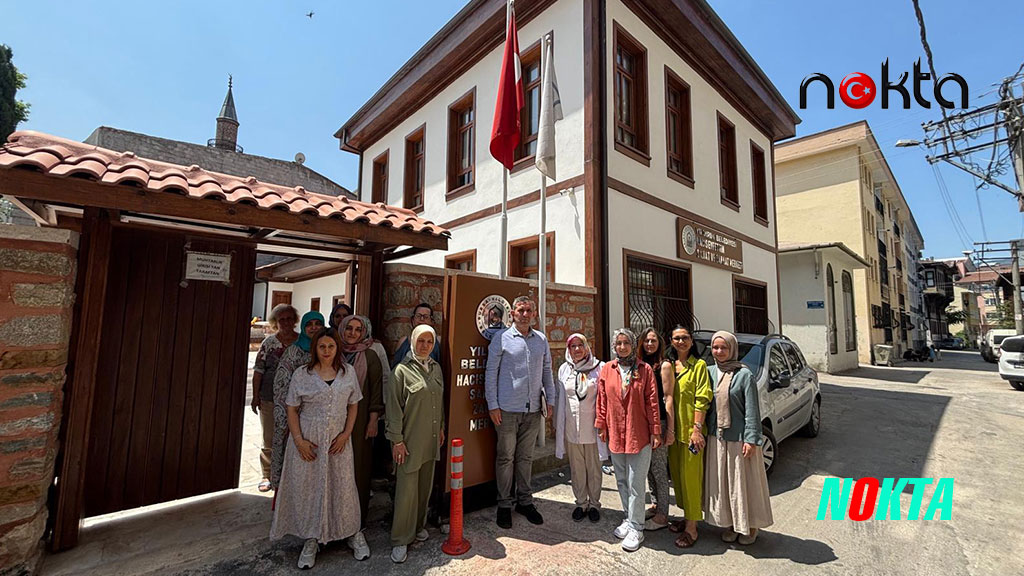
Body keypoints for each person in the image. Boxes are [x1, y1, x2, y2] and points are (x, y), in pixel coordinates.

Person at [270, 330, 367, 568]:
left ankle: (351, 532)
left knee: (342, 486)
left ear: (337, 348)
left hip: (337, 442)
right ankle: (311, 538)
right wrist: (299, 440)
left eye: (331, 346)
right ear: (315, 349)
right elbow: (292, 408)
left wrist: (346, 434)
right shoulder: (302, 374)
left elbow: (353, 405)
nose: (326, 351)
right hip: (308, 441)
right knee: (309, 489)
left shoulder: (347, 373)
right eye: (322, 346)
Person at [484, 296, 556, 529]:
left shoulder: (541, 340)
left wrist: (551, 399)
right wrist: (493, 404)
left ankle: (525, 501)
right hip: (506, 410)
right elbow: (490, 372)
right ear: (513, 313)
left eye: (529, 310)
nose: (525, 314)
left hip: (533, 410)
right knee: (506, 457)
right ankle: (504, 504)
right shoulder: (501, 338)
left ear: (534, 314)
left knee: (525, 458)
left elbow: (547, 370)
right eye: (521, 310)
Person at [704, 331, 773, 545]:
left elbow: (752, 410)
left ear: (732, 349)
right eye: (715, 347)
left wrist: (751, 440)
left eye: (723, 347)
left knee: (743, 485)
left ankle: (750, 526)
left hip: (740, 439)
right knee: (725, 485)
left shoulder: (744, 375)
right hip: (717, 438)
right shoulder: (709, 372)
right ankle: (731, 524)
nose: (719, 351)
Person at [596, 328, 661, 552]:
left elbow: (652, 402)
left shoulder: (644, 370)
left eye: (626, 343)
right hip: (616, 433)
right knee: (622, 479)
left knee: (636, 482)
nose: (622, 347)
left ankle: (637, 527)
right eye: (618, 343)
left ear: (633, 345)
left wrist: (655, 430)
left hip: (638, 434)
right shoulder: (608, 369)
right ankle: (629, 517)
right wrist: (601, 425)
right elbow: (602, 399)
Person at [386, 324, 445, 563]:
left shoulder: (436, 368)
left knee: (424, 488)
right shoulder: (401, 371)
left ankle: (418, 527)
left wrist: (441, 427)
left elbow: (439, 402)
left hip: (430, 439)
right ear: (412, 341)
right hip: (408, 441)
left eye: (429, 342)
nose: (425, 346)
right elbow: (393, 409)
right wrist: (397, 441)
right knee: (406, 491)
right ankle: (401, 538)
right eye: (421, 341)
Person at [662, 325, 712, 548]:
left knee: (691, 479)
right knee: (678, 478)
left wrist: (697, 429)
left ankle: (692, 528)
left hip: (692, 434)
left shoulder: (699, 366)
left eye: (685, 338)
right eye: (677, 338)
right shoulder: (670, 366)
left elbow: (702, 399)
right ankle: (686, 517)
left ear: (692, 341)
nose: (681, 342)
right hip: (674, 433)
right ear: (671, 341)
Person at [339, 314, 386, 531]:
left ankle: (356, 522)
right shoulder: (333, 352)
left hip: (361, 421)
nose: (353, 333)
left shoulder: (370, 356)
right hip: (334, 419)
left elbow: (376, 391)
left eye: (358, 329)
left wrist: (373, 420)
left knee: (359, 468)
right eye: (349, 328)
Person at [555, 333, 607, 523]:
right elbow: (560, 398)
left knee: (594, 468)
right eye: (573, 346)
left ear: (587, 347)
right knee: (577, 469)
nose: (577, 349)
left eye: (580, 345)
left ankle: (594, 504)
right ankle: (581, 503)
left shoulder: (599, 368)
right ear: (568, 349)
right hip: (572, 428)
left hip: (592, 428)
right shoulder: (564, 370)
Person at [271, 311, 325, 491]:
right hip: (294, 415)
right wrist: (286, 416)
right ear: (303, 327)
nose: (314, 328)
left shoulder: (327, 348)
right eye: (309, 324)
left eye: (318, 324)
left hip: (319, 418)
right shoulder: (293, 351)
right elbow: (281, 385)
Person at [251, 304, 298, 492]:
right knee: (269, 437)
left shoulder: (302, 342)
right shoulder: (269, 343)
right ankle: (267, 474)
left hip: (296, 400)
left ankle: (287, 473)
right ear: (275, 322)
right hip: (269, 397)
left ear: (294, 321)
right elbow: (258, 370)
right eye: (281, 320)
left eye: (289, 319)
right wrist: (255, 396)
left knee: (292, 436)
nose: (285, 323)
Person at [638, 327, 670, 531]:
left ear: (659, 344)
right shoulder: (640, 364)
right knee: (648, 468)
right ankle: (656, 504)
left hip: (659, 422)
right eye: (646, 341)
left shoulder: (664, 365)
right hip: (643, 422)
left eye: (653, 341)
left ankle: (663, 515)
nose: (650, 344)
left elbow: (667, 397)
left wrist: (668, 429)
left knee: (659, 469)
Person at [391, 303, 442, 370]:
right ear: (413, 320)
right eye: (418, 316)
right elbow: (395, 368)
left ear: (431, 321)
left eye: (426, 317)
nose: (422, 319)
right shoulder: (403, 341)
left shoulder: (438, 341)